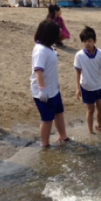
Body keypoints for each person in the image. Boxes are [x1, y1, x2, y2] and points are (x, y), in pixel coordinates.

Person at [30, 20, 69, 148]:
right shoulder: (40, 50)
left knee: (59, 113)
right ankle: (44, 144)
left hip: (53, 89)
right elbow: (38, 71)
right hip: (43, 92)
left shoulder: (49, 48)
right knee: (47, 119)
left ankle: (63, 136)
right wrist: (42, 89)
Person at [74, 26, 101, 134]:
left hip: (98, 86)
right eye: (85, 41)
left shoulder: (99, 53)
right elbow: (78, 72)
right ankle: (90, 132)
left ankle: (99, 126)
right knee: (90, 110)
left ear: (95, 41)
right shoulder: (79, 55)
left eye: (89, 41)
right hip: (86, 87)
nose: (87, 44)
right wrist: (77, 88)